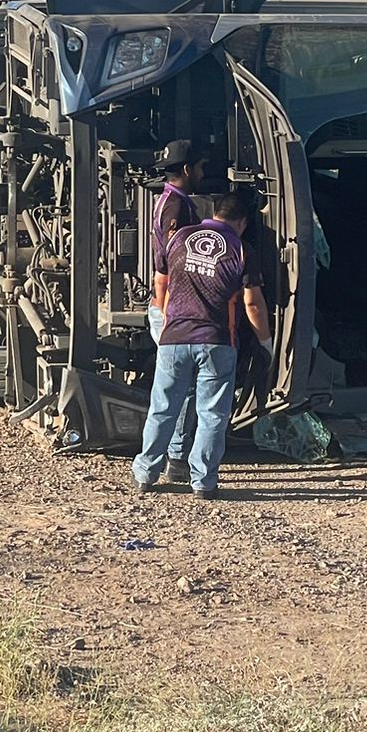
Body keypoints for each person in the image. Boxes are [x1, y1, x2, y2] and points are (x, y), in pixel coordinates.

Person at [132, 192, 272, 499]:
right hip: (217, 342)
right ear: (243, 222)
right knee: (212, 415)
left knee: (163, 409)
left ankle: (146, 473)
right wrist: (266, 341)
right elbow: (253, 303)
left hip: (174, 339)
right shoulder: (242, 249)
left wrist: (167, 317)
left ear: (215, 212)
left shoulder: (180, 237)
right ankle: (203, 482)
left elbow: (160, 282)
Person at [148, 141, 207, 485]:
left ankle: (166, 460)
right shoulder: (177, 209)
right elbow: (170, 262)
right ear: (187, 169)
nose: (202, 174)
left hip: (169, 304)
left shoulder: (168, 201)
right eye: (199, 168)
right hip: (174, 307)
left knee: (175, 387)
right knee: (184, 388)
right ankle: (177, 459)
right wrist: (173, 307)